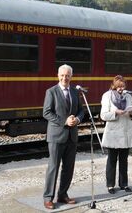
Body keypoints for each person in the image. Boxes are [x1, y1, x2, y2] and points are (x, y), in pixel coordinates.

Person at [42, 64, 85, 210]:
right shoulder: (51, 92)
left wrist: (77, 120)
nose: (64, 78)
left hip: (72, 136)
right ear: (58, 76)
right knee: (53, 167)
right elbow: (46, 113)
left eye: (67, 75)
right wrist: (64, 121)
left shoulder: (75, 92)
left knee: (68, 167)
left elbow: (81, 111)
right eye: (62, 75)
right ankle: (48, 198)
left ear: (71, 77)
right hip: (56, 136)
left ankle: (63, 194)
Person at [100, 75, 132, 194]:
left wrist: (131, 113)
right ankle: (110, 185)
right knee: (111, 159)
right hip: (113, 133)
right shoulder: (107, 96)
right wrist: (115, 112)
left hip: (126, 131)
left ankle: (124, 184)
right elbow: (103, 115)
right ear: (114, 86)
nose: (121, 89)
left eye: (123, 86)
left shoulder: (128, 96)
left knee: (124, 159)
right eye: (119, 86)